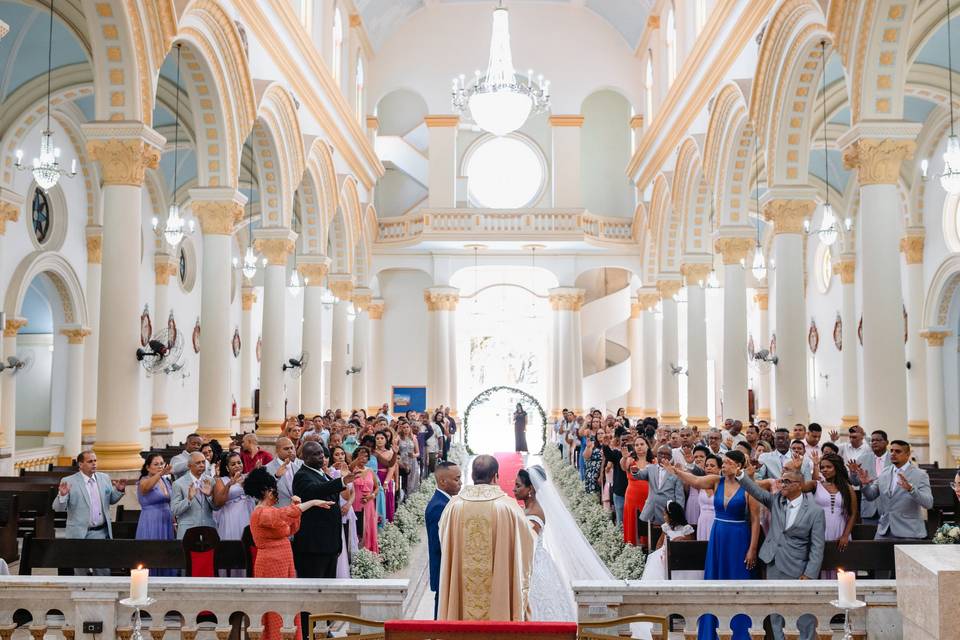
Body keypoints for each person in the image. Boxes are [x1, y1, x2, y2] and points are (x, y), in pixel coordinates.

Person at [438, 454, 534, 621]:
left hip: (462, 594)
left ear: (472, 476)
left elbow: (444, 538)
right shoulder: (508, 507)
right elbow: (526, 542)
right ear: (496, 476)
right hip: (499, 599)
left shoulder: (454, 506)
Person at [244, 466, 334, 640]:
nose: (275, 493)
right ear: (265, 491)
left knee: (288, 603)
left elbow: (291, 527)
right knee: (275, 604)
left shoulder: (271, 511)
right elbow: (284, 515)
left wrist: (296, 506)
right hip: (270, 563)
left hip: (284, 561)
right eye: (273, 489)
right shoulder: (261, 512)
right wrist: (311, 503)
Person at [663, 451, 759, 580]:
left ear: (739, 466)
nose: (724, 465)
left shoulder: (748, 486)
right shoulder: (716, 481)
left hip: (738, 535)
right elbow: (696, 480)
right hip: (718, 532)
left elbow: (755, 520)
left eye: (728, 462)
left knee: (737, 570)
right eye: (723, 462)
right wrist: (676, 471)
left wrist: (752, 549)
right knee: (717, 570)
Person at [737, 468, 826, 580]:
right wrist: (740, 475)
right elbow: (756, 490)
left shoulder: (815, 512)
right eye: (782, 481)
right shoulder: (776, 501)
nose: (783, 485)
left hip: (796, 566)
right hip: (772, 560)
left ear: (800, 485)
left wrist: (809, 574)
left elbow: (817, 546)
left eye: (787, 481)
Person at [513, 468, 577, 621]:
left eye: (518, 485)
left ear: (530, 489)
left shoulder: (535, 512)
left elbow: (529, 542)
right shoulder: (527, 508)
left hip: (534, 565)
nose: (514, 489)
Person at [55, 451, 127, 575]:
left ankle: (104, 593)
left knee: (102, 569)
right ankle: (81, 593)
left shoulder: (104, 478)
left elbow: (110, 500)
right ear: (80, 464)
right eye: (90, 461)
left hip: (100, 532)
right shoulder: (69, 481)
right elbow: (58, 508)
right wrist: (62, 495)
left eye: (95, 461)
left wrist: (119, 490)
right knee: (80, 571)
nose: (94, 464)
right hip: (78, 533)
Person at [291, 441, 355, 578]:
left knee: (328, 588)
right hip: (314, 546)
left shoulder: (323, 474)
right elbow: (315, 490)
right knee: (313, 588)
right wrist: (342, 481)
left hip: (330, 544)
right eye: (316, 454)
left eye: (322, 453)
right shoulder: (302, 476)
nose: (321, 457)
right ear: (306, 458)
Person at [855, 440, 933, 539]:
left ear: (907, 454)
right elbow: (871, 496)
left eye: (898, 451)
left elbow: (928, 503)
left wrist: (911, 489)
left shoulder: (920, 474)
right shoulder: (885, 472)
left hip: (909, 532)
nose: (893, 454)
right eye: (891, 450)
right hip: (884, 531)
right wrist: (865, 484)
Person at [808, 452, 857, 578]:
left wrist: (845, 535)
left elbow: (853, 514)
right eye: (822, 467)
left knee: (841, 566)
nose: (824, 470)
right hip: (820, 530)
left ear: (837, 467)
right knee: (821, 563)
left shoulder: (847, 488)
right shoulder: (816, 485)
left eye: (828, 467)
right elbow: (799, 486)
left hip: (839, 530)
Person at [427, 462, 462, 619]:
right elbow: (439, 544)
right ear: (442, 481)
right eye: (457, 479)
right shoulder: (439, 506)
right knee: (441, 613)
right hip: (444, 568)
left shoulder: (446, 502)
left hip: (448, 568)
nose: (460, 482)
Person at [632, 445, 685, 530]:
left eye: (666, 454)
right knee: (649, 535)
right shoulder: (650, 468)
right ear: (657, 455)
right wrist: (635, 471)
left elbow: (680, 496)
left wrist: (678, 514)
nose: (663, 456)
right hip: (651, 509)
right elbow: (640, 475)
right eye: (660, 454)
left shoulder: (675, 472)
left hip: (667, 511)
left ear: (671, 457)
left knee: (665, 536)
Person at [640, 500, 697, 580]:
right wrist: (661, 552)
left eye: (665, 515)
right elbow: (659, 543)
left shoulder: (686, 529)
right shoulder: (666, 528)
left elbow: (691, 546)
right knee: (656, 563)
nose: (664, 517)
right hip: (666, 554)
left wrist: (682, 540)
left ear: (672, 517)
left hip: (681, 556)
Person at [171, 452, 215, 539]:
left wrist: (209, 495)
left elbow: (216, 507)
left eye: (203, 462)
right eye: (198, 463)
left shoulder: (211, 481)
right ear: (189, 465)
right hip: (188, 531)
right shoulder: (178, 483)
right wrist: (189, 499)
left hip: (208, 529)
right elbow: (174, 510)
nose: (202, 465)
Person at [136, 453, 175, 550]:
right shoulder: (144, 480)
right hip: (151, 519)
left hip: (166, 519)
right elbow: (145, 488)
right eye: (156, 464)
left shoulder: (165, 480)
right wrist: (160, 473)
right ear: (148, 467)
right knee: (152, 550)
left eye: (162, 463)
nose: (160, 466)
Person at [212, 452, 254, 541]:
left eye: (239, 462)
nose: (237, 465)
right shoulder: (221, 480)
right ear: (227, 468)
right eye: (233, 464)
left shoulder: (248, 477)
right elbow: (218, 502)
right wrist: (229, 485)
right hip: (230, 517)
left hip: (247, 514)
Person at [622, 436, 652, 545]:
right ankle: (633, 548)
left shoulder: (654, 461)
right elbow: (623, 466)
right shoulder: (630, 460)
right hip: (632, 498)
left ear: (647, 446)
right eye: (636, 445)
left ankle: (647, 548)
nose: (639, 447)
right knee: (633, 523)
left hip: (648, 500)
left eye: (642, 444)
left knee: (647, 526)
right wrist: (625, 457)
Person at [351, 446, 381, 551]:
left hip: (368, 504)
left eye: (366, 457)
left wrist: (371, 496)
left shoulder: (370, 471)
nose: (363, 459)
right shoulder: (352, 470)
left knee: (368, 527)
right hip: (355, 504)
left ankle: (368, 552)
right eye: (361, 456)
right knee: (357, 530)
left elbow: (377, 487)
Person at [265, 437, 301, 507]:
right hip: (277, 511)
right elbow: (264, 491)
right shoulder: (267, 468)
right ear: (277, 450)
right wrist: (276, 477)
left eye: (291, 448)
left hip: (296, 510)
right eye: (286, 448)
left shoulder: (298, 468)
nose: (290, 451)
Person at [373, 430, 398, 523]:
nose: (379, 440)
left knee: (386, 501)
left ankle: (386, 523)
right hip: (374, 478)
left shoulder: (390, 453)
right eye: (377, 438)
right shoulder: (372, 453)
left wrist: (386, 482)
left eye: (382, 438)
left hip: (385, 479)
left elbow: (391, 469)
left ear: (386, 440)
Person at [696, 455, 720, 541]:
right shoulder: (700, 483)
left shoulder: (723, 485)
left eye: (712, 466)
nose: (709, 468)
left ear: (719, 469)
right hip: (702, 520)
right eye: (706, 466)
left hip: (717, 521)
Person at [398, 421, 420, 498]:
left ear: (410, 428)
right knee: (404, 480)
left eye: (407, 427)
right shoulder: (399, 438)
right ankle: (403, 497)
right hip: (403, 462)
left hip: (412, 461)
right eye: (404, 427)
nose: (406, 429)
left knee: (412, 479)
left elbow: (418, 453)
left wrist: (414, 455)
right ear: (401, 429)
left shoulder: (413, 438)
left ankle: (411, 497)